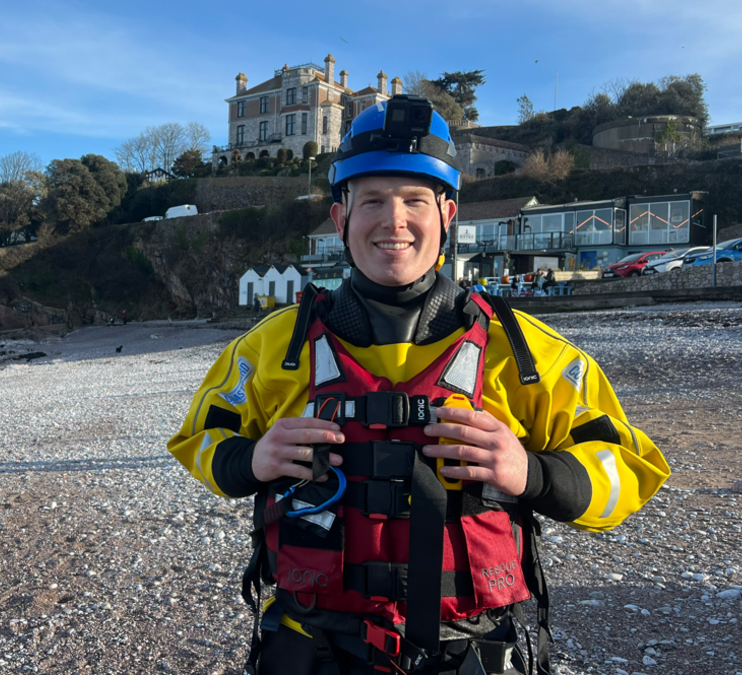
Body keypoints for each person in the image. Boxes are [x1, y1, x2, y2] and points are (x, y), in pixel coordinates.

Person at [167, 95, 668, 675]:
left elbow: (631, 466)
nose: (394, 221)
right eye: (372, 200)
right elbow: (198, 438)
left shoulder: (525, 351)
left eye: (414, 201)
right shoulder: (270, 348)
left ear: (448, 214)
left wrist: (531, 472)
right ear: (340, 219)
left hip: (470, 647)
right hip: (310, 643)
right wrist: (250, 459)